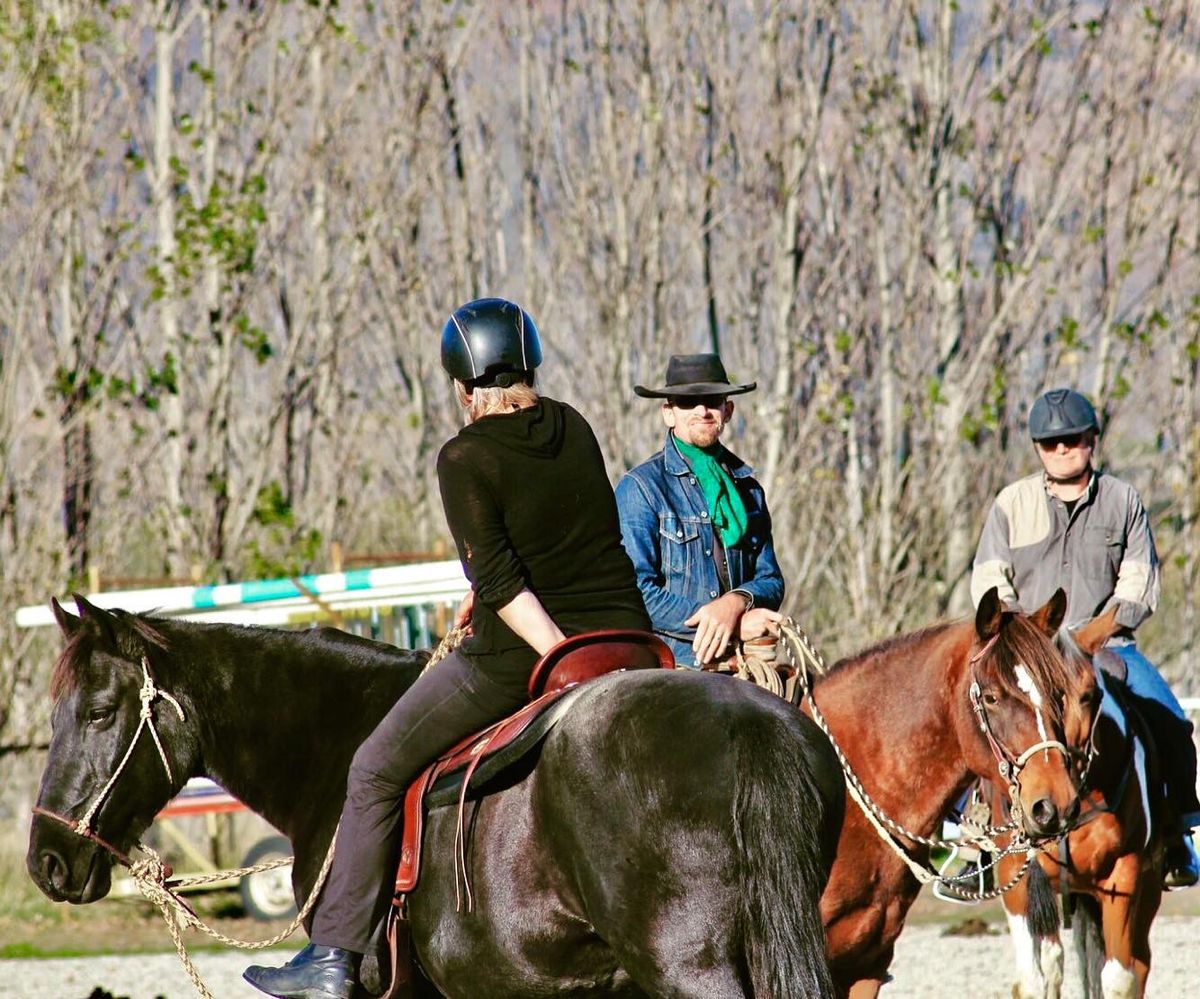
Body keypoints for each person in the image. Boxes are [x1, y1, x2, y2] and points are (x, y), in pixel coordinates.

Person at [243, 298, 651, 999]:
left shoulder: (464, 455)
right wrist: (493, 595)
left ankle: (333, 957)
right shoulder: (575, 426)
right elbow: (559, 540)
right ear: (530, 365)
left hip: (524, 659)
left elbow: (502, 578)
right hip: (629, 642)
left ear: (464, 387)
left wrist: (558, 661)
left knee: (372, 766)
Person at [971, 387, 1200, 889]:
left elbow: (1140, 581)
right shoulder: (1012, 502)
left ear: (1092, 440)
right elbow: (990, 578)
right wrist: (1026, 636)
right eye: (1051, 444)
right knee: (982, 721)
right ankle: (978, 845)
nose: (1062, 450)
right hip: (1029, 653)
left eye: (1072, 440)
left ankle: (1178, 832)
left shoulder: (1123, 501)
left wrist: (1094, 631)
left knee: (1172, 721)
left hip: (1106, 646)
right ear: (1038, 448)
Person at [615, 353, 784, 670]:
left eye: (712, 401)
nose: (702, 411)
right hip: (672, 667)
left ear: (727, 410)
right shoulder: (641, 488)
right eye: (687, 402)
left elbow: (770, 578)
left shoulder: (748, 490)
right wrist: (725, 622)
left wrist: (737, 601)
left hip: (744, 661)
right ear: (669, 413)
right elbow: (636, 592)